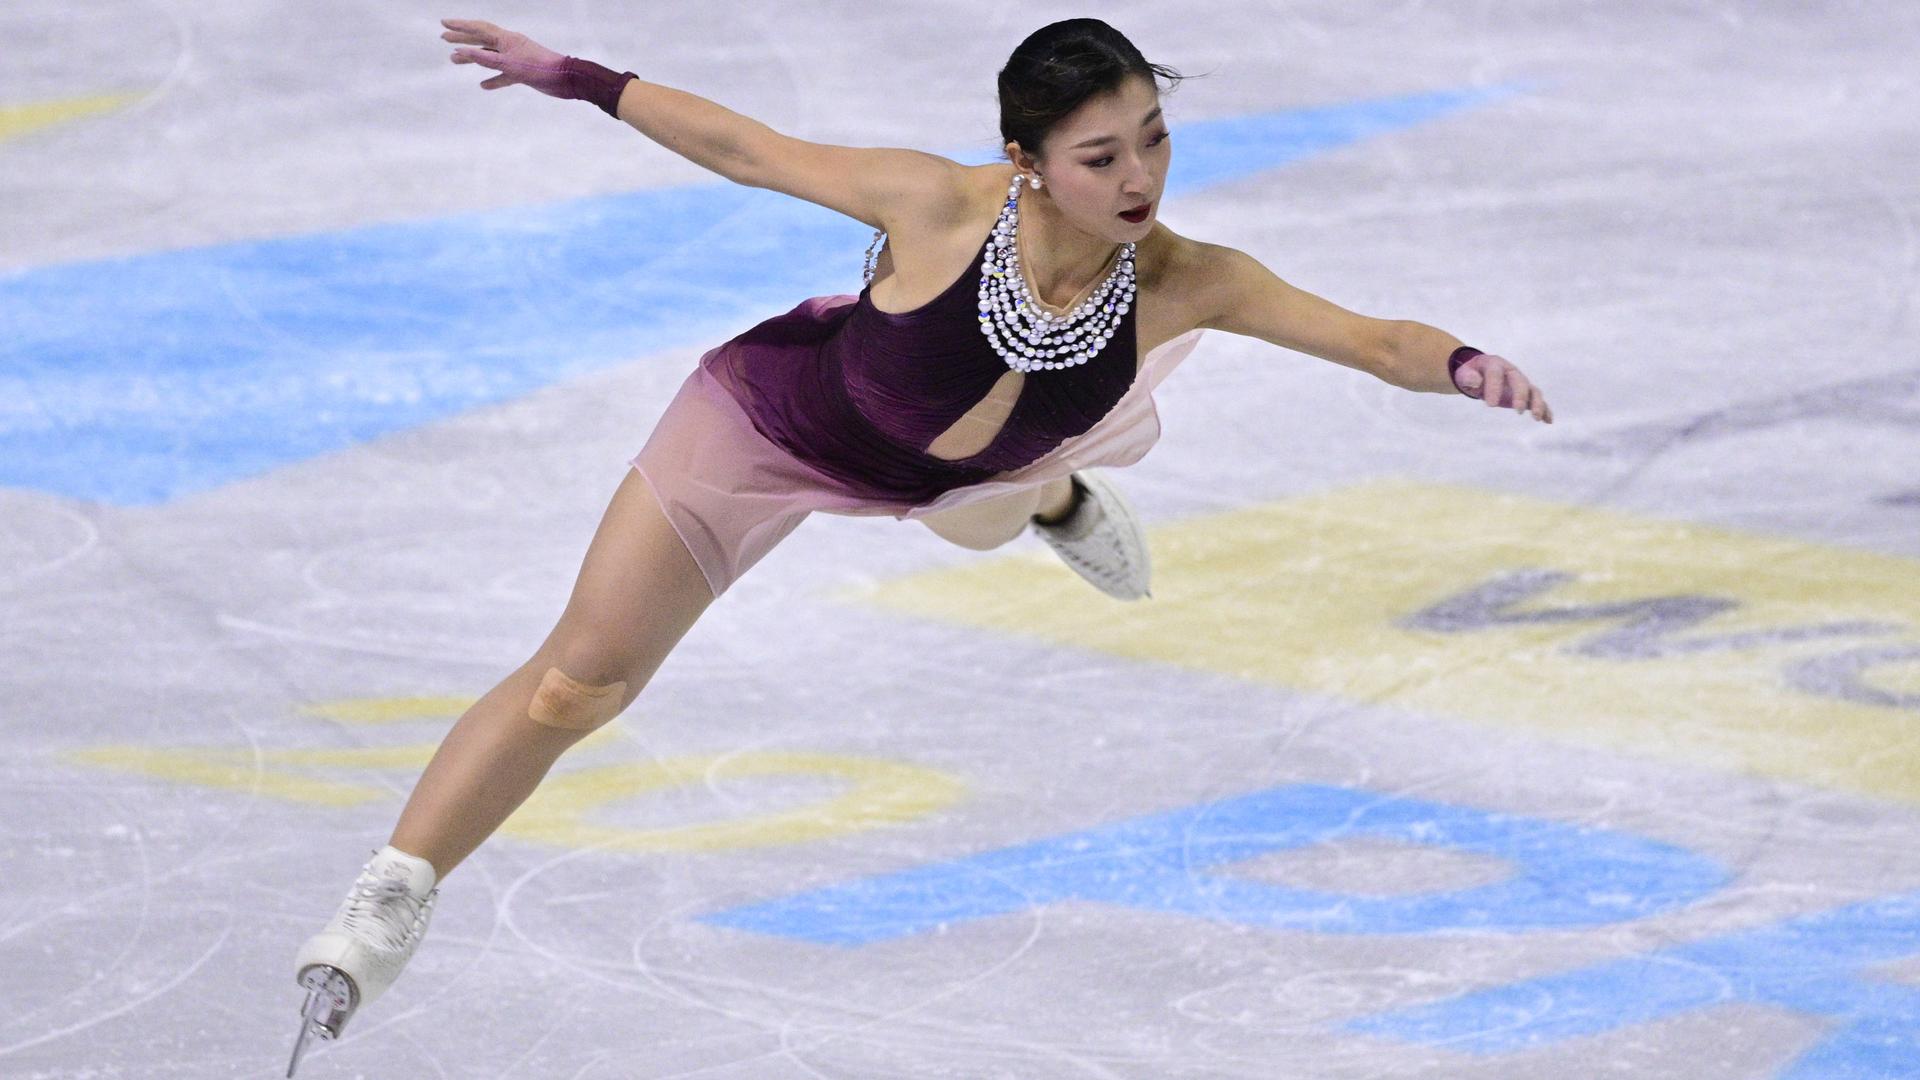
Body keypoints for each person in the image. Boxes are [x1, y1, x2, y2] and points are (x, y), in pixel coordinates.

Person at [286, 14, 1555, 1074]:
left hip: (984, 471)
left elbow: (1371, 338)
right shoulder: (939, 206)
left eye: (1153, 140)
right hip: (775, 431)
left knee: (991, 506)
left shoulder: (1184, 275)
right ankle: (392, 896)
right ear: (1028, 159)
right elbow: (747, 147)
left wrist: (1461, 362)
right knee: (584, 680)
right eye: (1101, 155)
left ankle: (1054, 504)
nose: (1139, 181)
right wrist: (588, 81)